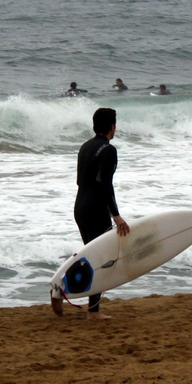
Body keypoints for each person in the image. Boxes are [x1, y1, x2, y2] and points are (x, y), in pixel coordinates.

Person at [64, 108, 130, 320]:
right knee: (102, 258)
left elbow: (80, 181)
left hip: (80, 207)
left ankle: (60, 289)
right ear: (112, 126)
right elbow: (105, 185)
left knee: (89, 256)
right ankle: (93, 312)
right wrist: (116, 216)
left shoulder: (85, 147)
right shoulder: (108, 150)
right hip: (95, 209)